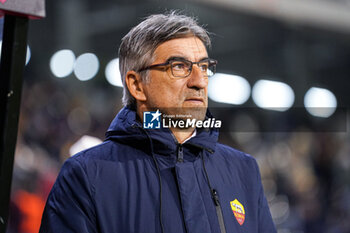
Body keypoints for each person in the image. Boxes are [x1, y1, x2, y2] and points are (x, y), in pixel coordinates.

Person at [39, 12, 276, 233]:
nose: (199, 81)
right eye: (179, 67)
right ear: (137, 85)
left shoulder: (244, 170)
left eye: (204, 67)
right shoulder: (85, 176)